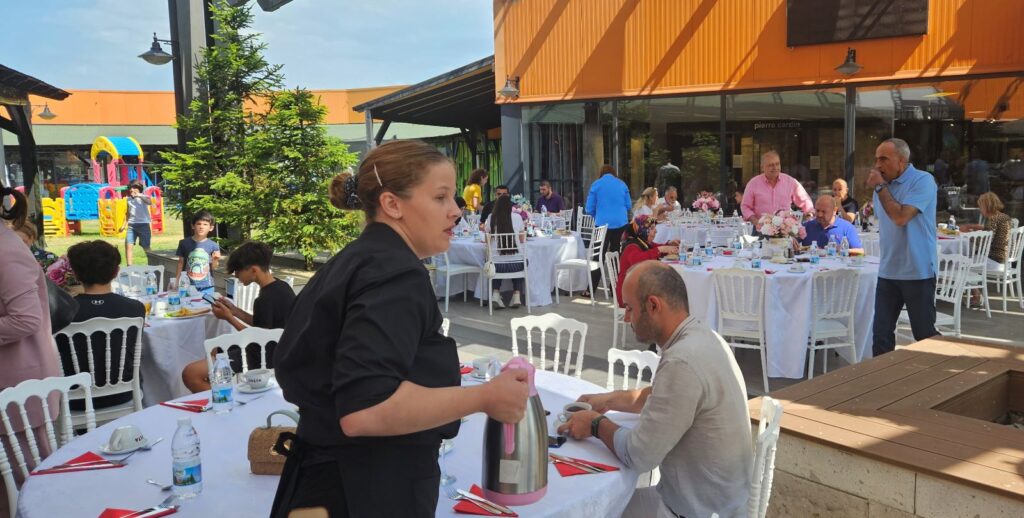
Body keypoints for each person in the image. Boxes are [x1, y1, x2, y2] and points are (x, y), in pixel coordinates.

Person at [269, 139, 529, 517]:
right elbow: (366, 408)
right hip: (367, 488)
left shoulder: (358, 259)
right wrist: (485, 397)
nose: (456, 211)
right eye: (440, 197)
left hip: (330, 477)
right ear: (392, 204)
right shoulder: (393, 272)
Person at [557, 261, 752, 518]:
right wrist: (609, 399)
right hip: (719, 502)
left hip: (695, 511)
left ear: (653, 305)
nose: (626, 318)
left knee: (595, 512)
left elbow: (638, 455)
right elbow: (664, 397)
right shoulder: (704, 337)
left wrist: (595, 424)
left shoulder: (682, 361)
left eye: (629, 308)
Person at [0, 187, 62, 516]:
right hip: (13, 386)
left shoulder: (6, 249)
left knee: (30, 492)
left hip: (19, 387)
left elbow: (25, 319)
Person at [181, 241, 296, 392]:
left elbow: (258, 338)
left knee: (190, 374)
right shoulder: (281, 287)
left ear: (253, 270)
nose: (236, 275)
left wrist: (229, 317)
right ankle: (225, 389)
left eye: (238, 271)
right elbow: (264, 324)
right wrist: (236, 311)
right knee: (216, 351)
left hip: (264, 355)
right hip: (280, 348)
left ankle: (226, 398)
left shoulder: (265, 299)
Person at [867, 138, 939, 357]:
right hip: (888, 270)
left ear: (901, 161)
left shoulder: (923, 180)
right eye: (876, 159)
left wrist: (880, 187)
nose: (877, 165)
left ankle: (946, 367)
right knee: (881, 335)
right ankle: (882, 377)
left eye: (884, 159)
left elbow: (900, 218)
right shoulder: (881, 187)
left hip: (917, 270)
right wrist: (880, 189)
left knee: (924, 334)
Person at [61, 240, 146, 410]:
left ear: (75, 274)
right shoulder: (135, 308)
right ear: (116, 272)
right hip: (124, 393)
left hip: (74, 398)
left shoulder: (62, 311)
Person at [960, 192, 1013, 308]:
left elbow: (985, 242)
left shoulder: (993, 219)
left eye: (981, 206)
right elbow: (991, 232)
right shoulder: (1003, 217)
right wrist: (975, 227)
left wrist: (967, 234)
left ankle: (976, 296)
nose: (980, 209)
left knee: (962, 263)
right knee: (969, 259)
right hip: (1004, 260)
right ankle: (970, 292)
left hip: (995, 261)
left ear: (987, 206)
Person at [585, 164, 633, 294]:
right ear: (614, 173)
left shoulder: (596, 184)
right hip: (621, 223)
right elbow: (629, 205)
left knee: (598, 255)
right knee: (617, 255)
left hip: (602, 224)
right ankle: (615, 289)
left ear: (601, 173)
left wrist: (597, 216)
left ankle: (591, 289)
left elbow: (589, 208)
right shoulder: (622, 184)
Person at [616, 215, 678, 306]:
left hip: (638, 287)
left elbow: (655, 248)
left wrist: (668, 244)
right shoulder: (631, 245)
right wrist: (660, 250)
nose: (656, 231)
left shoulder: (642, 241)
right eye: (652, 228)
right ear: (642, 230)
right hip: (627, 294)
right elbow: (638, 260)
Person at [741, 150, 814, 226]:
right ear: (762, 168)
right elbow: (745, 206)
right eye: (771, 165)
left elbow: (805, 200)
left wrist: (810, 214)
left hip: (785, 229)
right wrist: (755, 221)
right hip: (761, 228)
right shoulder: (753, 183)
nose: (775, 167)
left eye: (777, 164)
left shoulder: (790, 182)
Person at [484, 195, 527, 309]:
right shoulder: (517, 217)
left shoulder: (491, 217)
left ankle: (495, 293)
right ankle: (517, 295)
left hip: (497, 266)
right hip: (517, 265)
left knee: (494, 261)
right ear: (510, 206)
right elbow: (522, 239)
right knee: (520, 260)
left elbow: (487, 240)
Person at [174, 211, 221, 294]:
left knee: (206, 303)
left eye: (205, 224)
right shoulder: (184, 243)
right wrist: (177, 281)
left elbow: (213, 268)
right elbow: (180, 263)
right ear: (193, 226)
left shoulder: (213, 245)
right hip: (187, 285)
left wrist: (215, 259)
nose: (201, 227)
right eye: (199, 224)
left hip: (207, 286)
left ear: (211, 228)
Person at [120, 182, 152, 266]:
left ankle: (152, 264)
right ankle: (129, 267)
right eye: (130, 188)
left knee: (146, 247)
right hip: (131, 226)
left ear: (139, 189)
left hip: (143, 225)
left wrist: (139, 195)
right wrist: (124, 225)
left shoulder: (144, 197)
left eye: (134, 188)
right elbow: (128, 213)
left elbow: (149, 202)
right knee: (128, 245)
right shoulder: (128, 199)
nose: (131, 190)